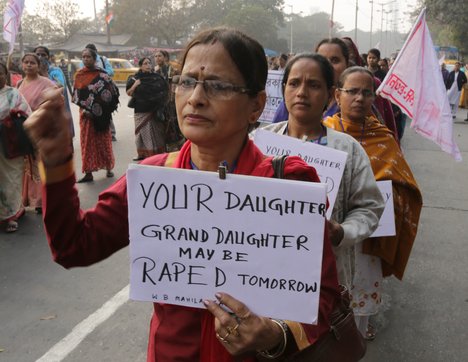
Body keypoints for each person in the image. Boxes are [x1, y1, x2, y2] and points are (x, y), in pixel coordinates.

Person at [25, 27, 341, 361]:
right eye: (187, 82)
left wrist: (274, 336)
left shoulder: (287, 186)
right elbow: (74, 246)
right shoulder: (156, 180)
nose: (196, 98)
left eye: (217, 86)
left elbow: (323, 295)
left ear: (256, 105)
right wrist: (57, 163)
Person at [255, 53, 385, 296]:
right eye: (294, 83)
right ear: (284, 89)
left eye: (314, 85)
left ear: (329, 94)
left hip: (325, 273)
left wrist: (341, 232)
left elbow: (369, 207)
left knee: (319, 330)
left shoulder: (348, 149)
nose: (302, 92)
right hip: (262, 270)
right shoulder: (258, 143)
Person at [323, 66, 422, 339]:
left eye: (367, 93)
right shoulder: (322, 135)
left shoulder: (384, 138)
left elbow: (405, 187)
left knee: (361, 304)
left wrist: (390, 199)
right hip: (330, 236)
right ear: (337, 95)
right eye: (352, 91)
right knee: (327, 301)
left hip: (368, 239)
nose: (359, 98)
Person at [315, 38, 399, 142]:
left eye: (335, 60)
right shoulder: (305, 95)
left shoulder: (368, 86)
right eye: (322, 60)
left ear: (347, 63)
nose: (328, 66)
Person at [72, 46, 119, 183]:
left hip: (102, 116)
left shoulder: (103, 75)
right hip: (86, 115)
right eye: (84, 57)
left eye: (89, 57)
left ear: (94, 58)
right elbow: (77, 95)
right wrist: (87, 110)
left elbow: (112, 93)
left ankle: (109, 168)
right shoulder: (79, 75)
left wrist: (99, 111)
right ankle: (88, 173)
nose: (86, 59)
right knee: (87, 143)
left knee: (103, 142)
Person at [17, 53, 57, 214]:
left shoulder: (47, 83)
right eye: (26, 62)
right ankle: (29, 198)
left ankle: (43, 200)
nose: (28, 65)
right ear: (22, 64)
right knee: (26, 166)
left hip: (41, 130)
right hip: (23, 130)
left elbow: (55, 105)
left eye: (32, 63)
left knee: (41, 165)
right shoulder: (19, 83)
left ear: (38, 66)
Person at [0, 61, 31, 232]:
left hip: (9, 144)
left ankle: (10, 215)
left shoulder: (14, 94)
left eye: (0, 73)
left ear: (6, 75)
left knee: (10, 179)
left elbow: (27, 116)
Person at [126, 57, 169, 160]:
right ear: (140, 66)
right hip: (141, 110)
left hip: (155, 110)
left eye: (149, 63)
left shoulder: (157, 77)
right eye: (145, 63)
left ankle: (156, 155)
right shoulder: (134, 78)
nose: (148, 65)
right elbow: (129, 93)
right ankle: (142, 154)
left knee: (156, 135)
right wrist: (135, 86)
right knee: (140, 134)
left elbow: (164, 91)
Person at [34, 46, 74, 138]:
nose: (40, 57)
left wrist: (44, 73)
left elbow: (60, 87)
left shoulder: (55, 71)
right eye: (37, 54)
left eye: (43, 55)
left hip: (55, 112)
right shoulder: (32, 71)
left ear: (48, 57)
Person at [83, 43, 117, 141]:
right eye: (84, 56)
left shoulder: (103, 59)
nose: (86, 58)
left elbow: (110, 72)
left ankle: (112, 133)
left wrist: (98, 73)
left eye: (89, 55)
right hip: (89, 92)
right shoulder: (83, 61)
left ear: (95, 53)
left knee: (105, 111)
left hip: (102, 90)